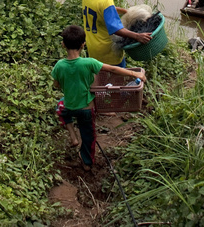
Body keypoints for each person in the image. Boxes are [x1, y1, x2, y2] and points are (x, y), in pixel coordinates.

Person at [52, 25, 146, 170]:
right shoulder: (89, 62)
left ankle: (72, 136)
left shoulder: (59, 65)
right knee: (88, 135)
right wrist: (135, 74)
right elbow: (113, 69)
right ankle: (87, 163)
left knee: (60, 106)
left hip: (70, 106)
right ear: (83, 45)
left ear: (63, 44)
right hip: (86, 109)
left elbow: (56, 85)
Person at [82, 0, 152, 67]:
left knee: (99, 78)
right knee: (116, 79)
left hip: (92, 47)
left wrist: (125, 11)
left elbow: (100, 8)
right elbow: (116, 29)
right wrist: (137, 36)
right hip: (107, 51)